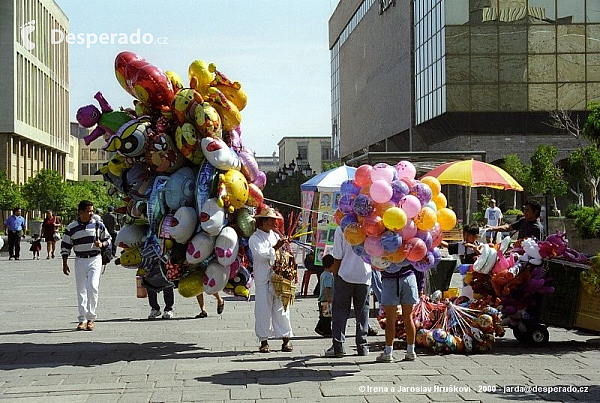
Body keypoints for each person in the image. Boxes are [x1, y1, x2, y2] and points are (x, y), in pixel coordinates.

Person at [61, 200, 111, 331]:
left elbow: (108, 239)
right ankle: (82, 319)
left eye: (92, 211)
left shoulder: (98, 225)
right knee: (81, 289)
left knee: (93, 287)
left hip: (95, 259)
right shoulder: (71, 228)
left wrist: (102, 244)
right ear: (81, 212)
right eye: (89, 211)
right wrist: (64, 263)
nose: (91, 213)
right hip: (80, 260)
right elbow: (66, 245)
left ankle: (91, 318)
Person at [249, 206, 293, 353]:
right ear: (262, 222)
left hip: (278, 277)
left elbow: (281, 252)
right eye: (269, 220)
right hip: (263, 278)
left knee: (282, 309)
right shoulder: (255, 238)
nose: (272, 223)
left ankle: (286, 339)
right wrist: (276, 247)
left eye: (274, 220)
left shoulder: (274, 235)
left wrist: (284, 246)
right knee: (263, 310)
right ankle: (263, 341)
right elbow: (261, 254)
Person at [325, 226, 372, 358]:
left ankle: (338, 346)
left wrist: (336, 273)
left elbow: (338, 256)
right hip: (364, 275)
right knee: (362, 312)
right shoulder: (371, 226)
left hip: (345, 274)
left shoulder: (342, 228)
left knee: (340, 311)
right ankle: (362, 346)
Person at [376, 262, 425, 363]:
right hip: (408, 278)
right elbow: (418, 263)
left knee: (390, 319)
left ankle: (388, 352)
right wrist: (421, 286)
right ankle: (411, 351)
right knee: (408, 318)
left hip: (389, 279)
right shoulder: (408, 245)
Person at [315, 254, 335, 337]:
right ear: (332, 265)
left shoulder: (323, 274)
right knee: (327, 317)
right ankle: (326, 330)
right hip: (326, 300)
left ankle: (320, 328)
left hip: (322, 299)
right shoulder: (329, 276)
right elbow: (327, 288)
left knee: (324, 316)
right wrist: (329, 298)